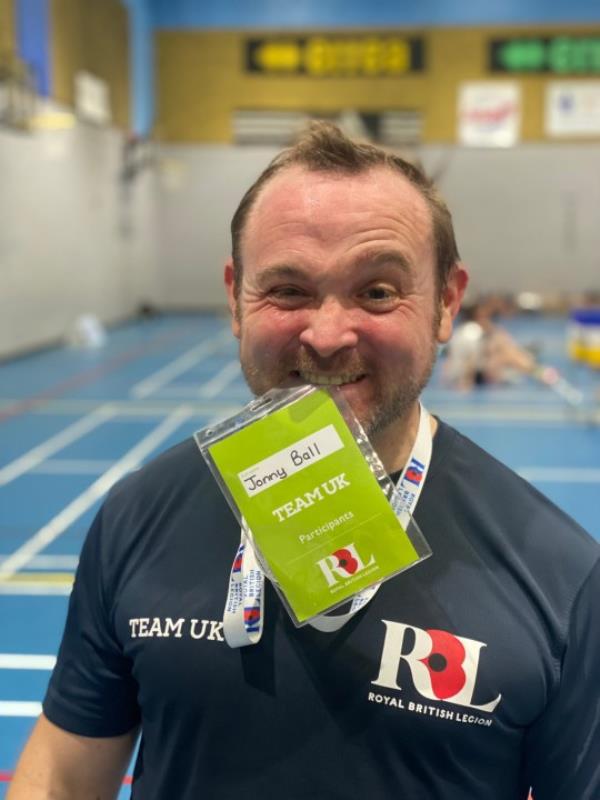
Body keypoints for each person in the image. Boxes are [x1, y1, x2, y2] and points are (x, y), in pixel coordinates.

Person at [9, 122, 599, 800]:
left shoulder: (561, 577)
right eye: (288, 291)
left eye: (378, 292)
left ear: (445, 302)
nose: (325, 335)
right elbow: (63, 774)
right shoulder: (135, 515)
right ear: (235, 297)